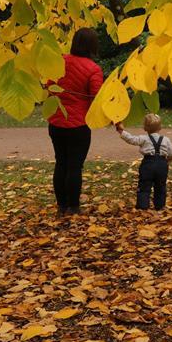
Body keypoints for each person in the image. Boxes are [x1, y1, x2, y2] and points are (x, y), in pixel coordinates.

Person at [46, 28, 104, 216]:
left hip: (56, 122)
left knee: (61, 163)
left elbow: (49, 87)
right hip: (78, 125)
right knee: (74, 166)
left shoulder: (58, 61)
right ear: (93, 45)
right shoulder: (93, 69)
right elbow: (97, 97)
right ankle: (73, 206)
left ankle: (61, 206)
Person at [115, 114, 172, 211]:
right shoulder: (166, 140)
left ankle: (143, 206)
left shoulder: (144, 138)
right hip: (162, 165)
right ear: (160, 127)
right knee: (161, 186)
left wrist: (121, 131)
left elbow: (132, 139)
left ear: (145, 128)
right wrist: (168, 161)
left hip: (148, 164)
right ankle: (160, 206)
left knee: (144, 185)